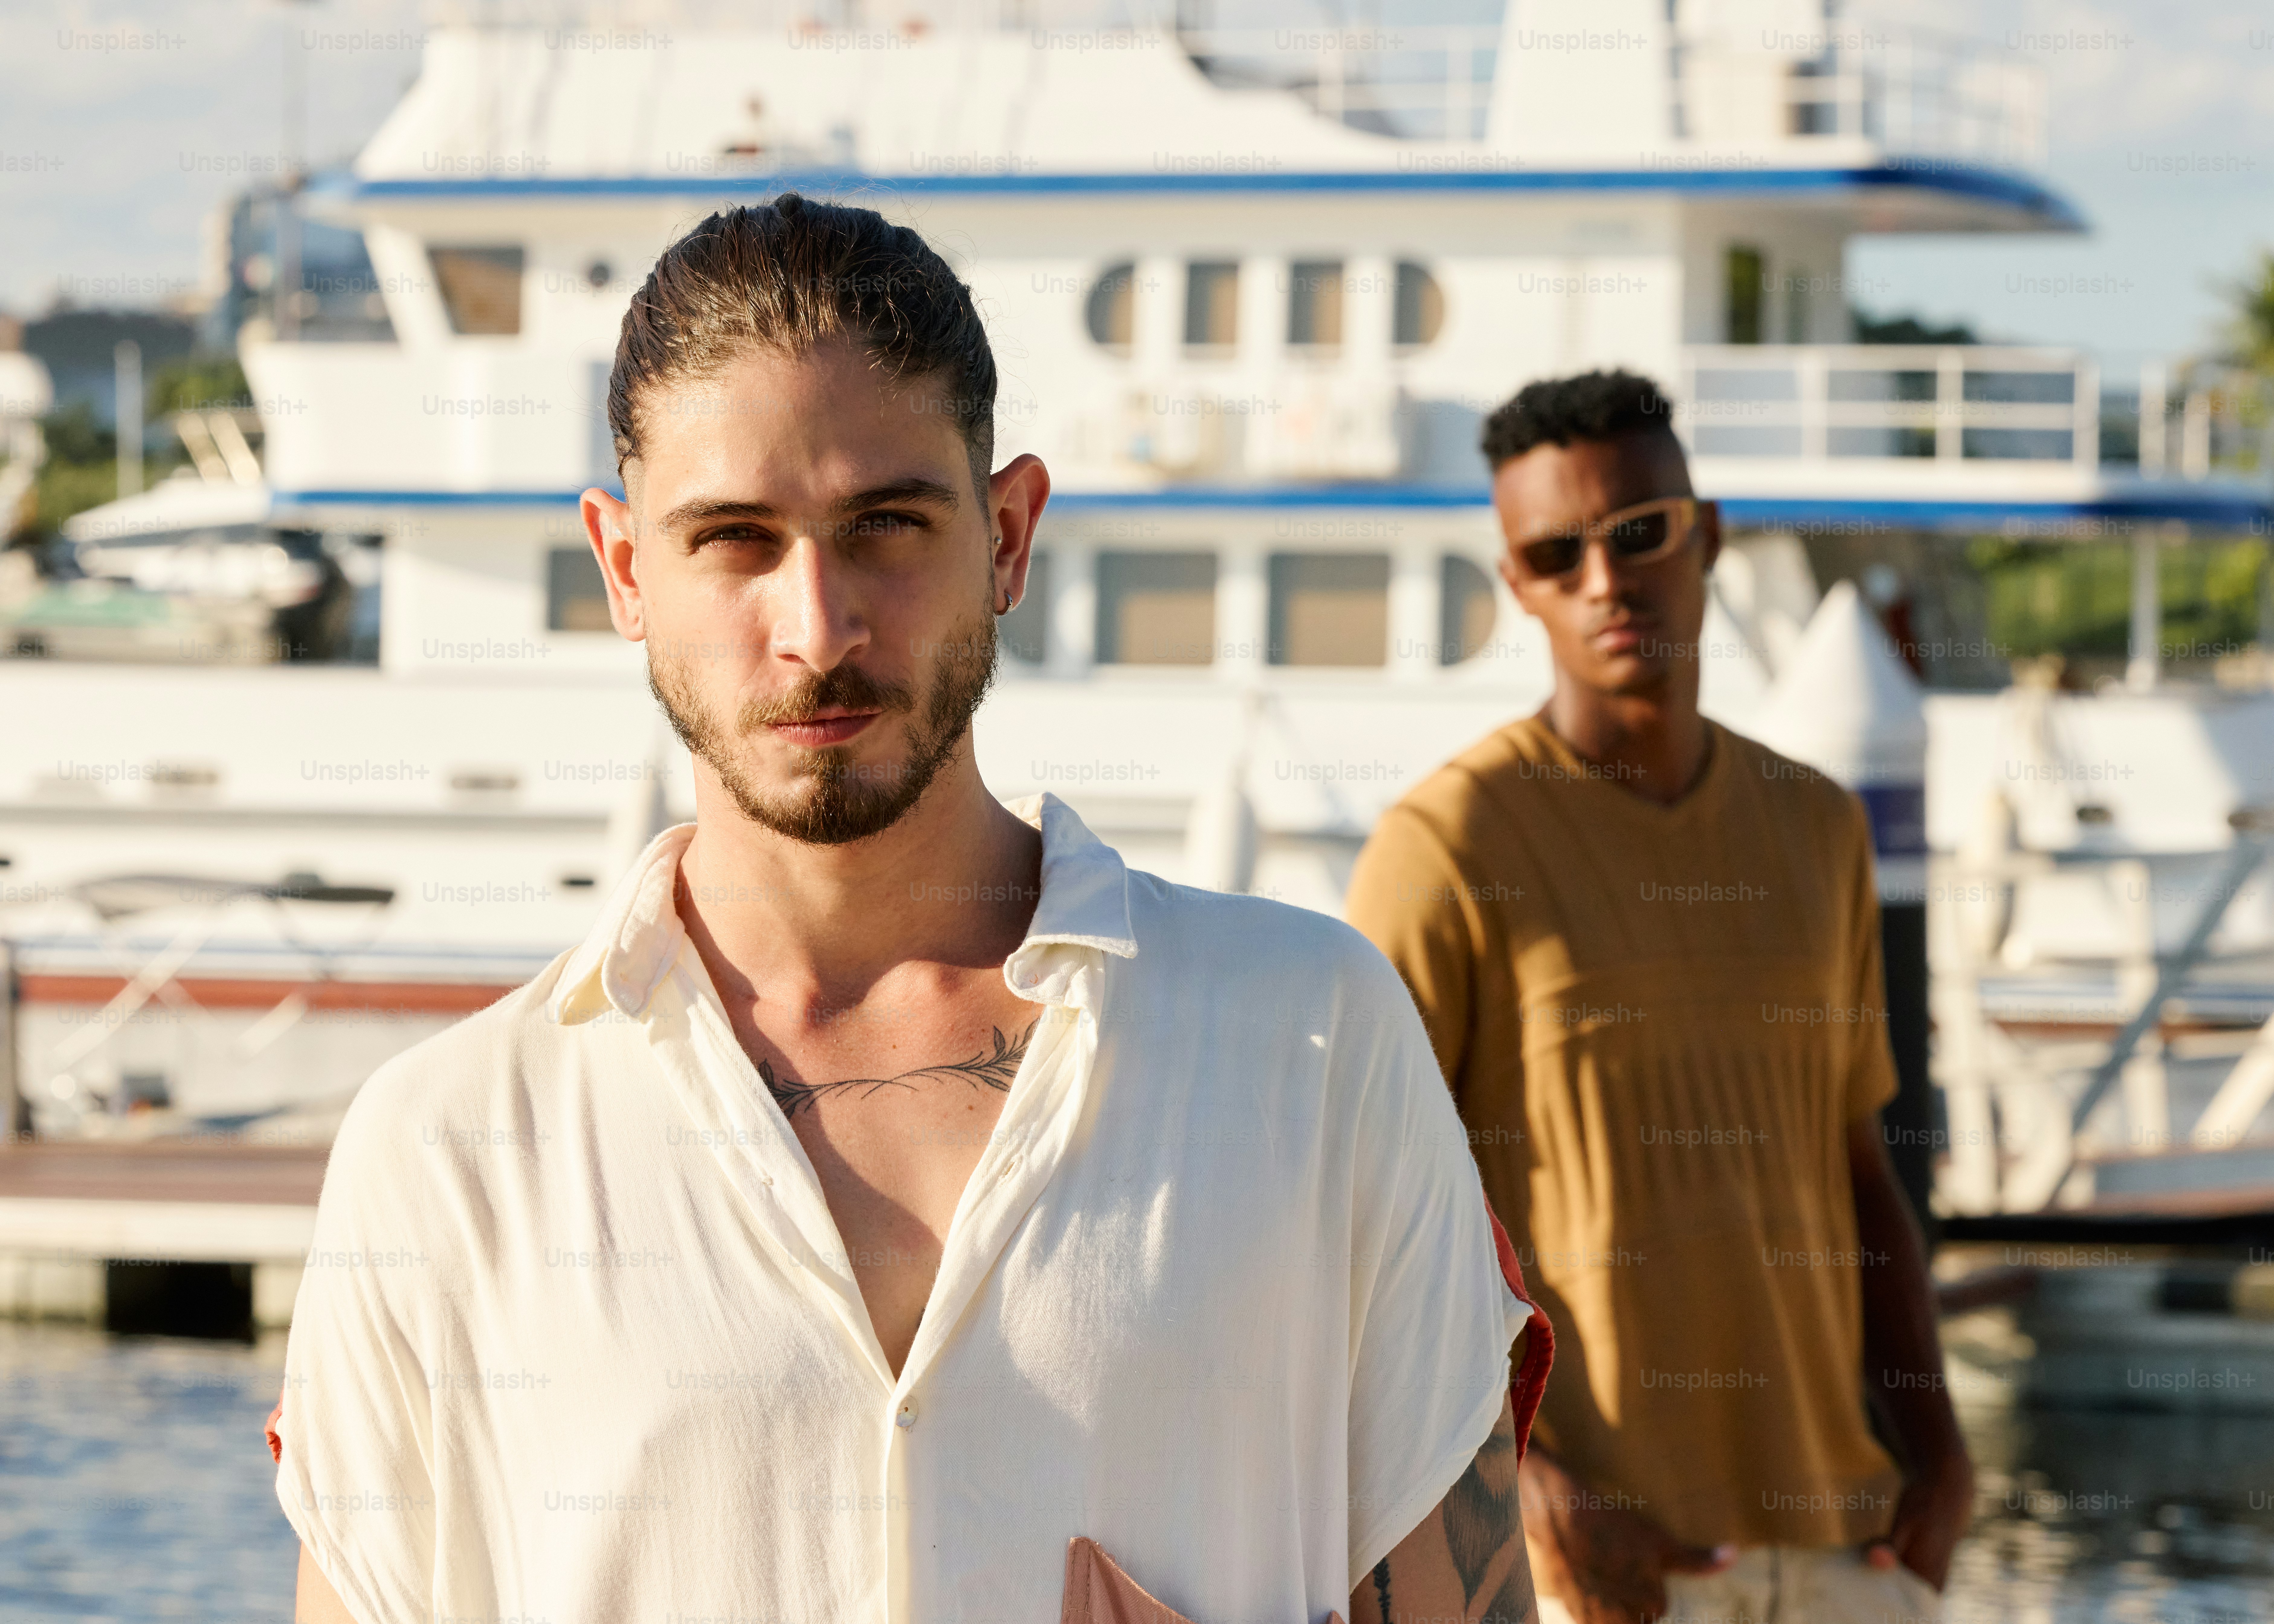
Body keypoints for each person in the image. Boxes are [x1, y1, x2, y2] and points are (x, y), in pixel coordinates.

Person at [269, 195, 1545, 1624]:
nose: (818, 626)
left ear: (1006, 534)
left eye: (885, 525)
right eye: (735, 540)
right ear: (627, 569)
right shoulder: (446, 1150)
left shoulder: (1312, 1043)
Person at [1344, 371, 1972, 1624]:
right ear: (1516, 582)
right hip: (1602, 1569)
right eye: (1554, 553)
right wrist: (1521, 1491)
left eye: (1640, 532)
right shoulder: (1446, 847)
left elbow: (1857, 1169)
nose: (1605, 580)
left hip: (1849, 1547)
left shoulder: (1814, 828)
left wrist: (1939, 1448)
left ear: (1707, 537)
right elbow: (1355, 1227)